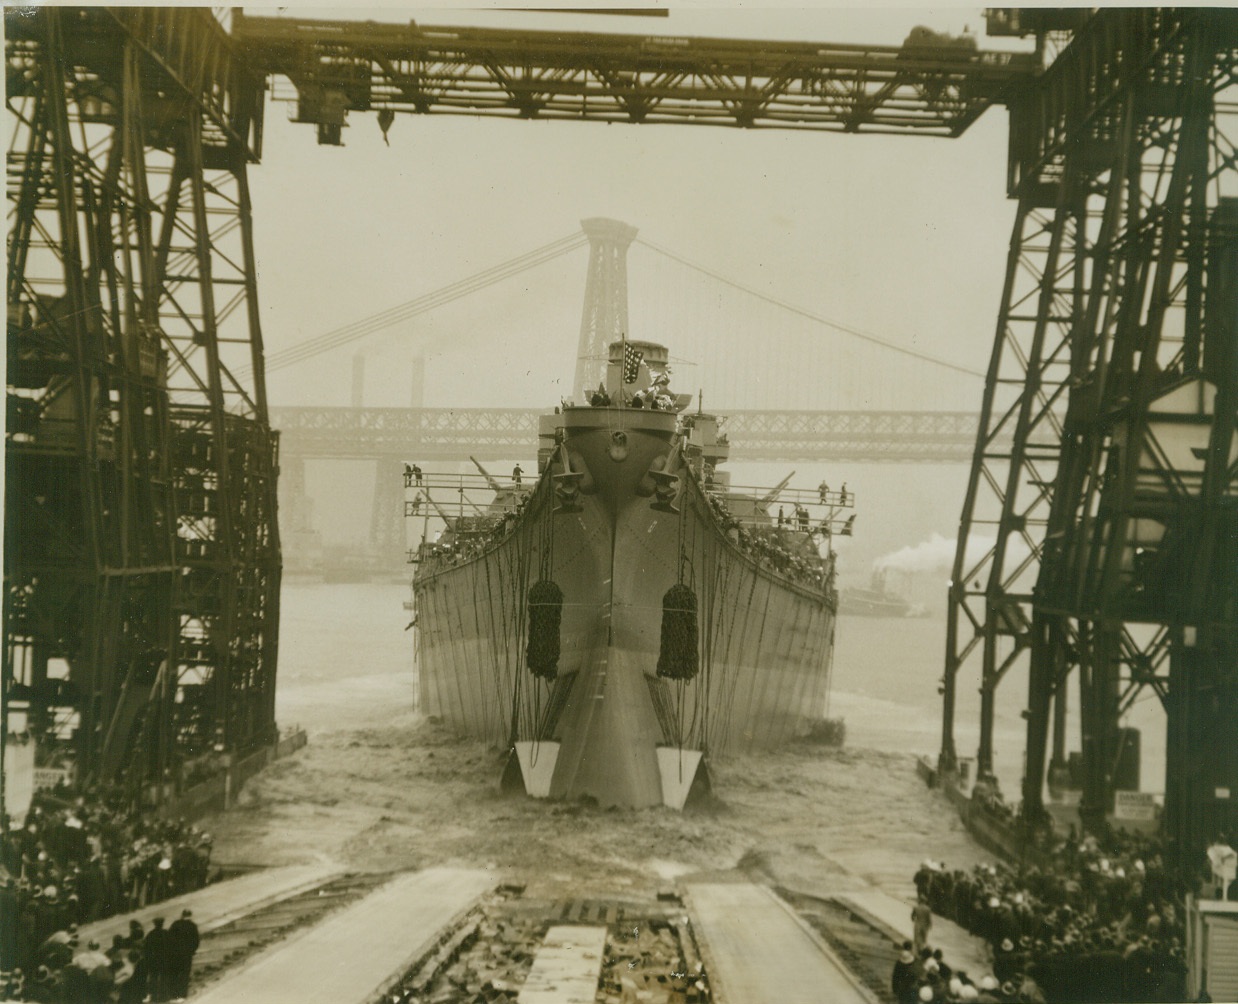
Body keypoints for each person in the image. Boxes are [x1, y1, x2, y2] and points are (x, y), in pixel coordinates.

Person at [167, 908, 199, 1001]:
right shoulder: (193, 926)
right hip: (186, 955)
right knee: (184, 974)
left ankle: (173, 995)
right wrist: (192, 951)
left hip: (175, 954)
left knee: (174, 973)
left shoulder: (175, 924)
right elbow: (196, 941)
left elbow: (169, 938)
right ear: (190, 916)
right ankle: (181, 995)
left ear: (182, 915)